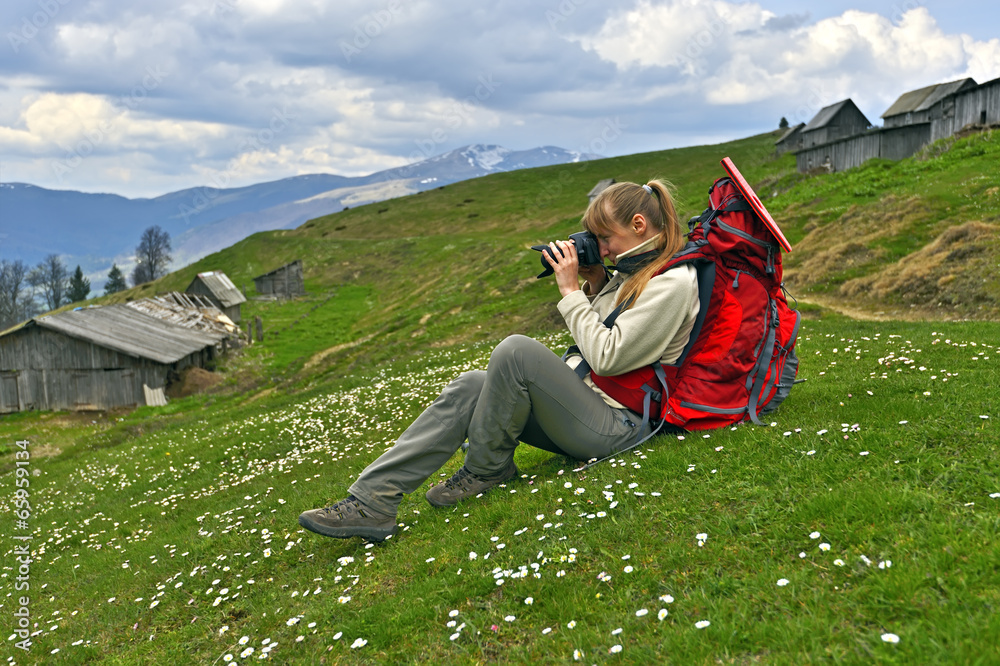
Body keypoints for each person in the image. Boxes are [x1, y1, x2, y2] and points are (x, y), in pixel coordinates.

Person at [298, 179, 700, 542]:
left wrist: (569, 292)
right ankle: (372, 502)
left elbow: (608, 357)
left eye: (605, 237)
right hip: (589, 408)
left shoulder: (672, 282)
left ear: (638, 226)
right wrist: (595, 282)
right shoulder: (633, 271)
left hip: (621, 426)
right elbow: (605, 335)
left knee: (516, 350)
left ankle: (487, 470)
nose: (602, 248)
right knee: (472, 384)